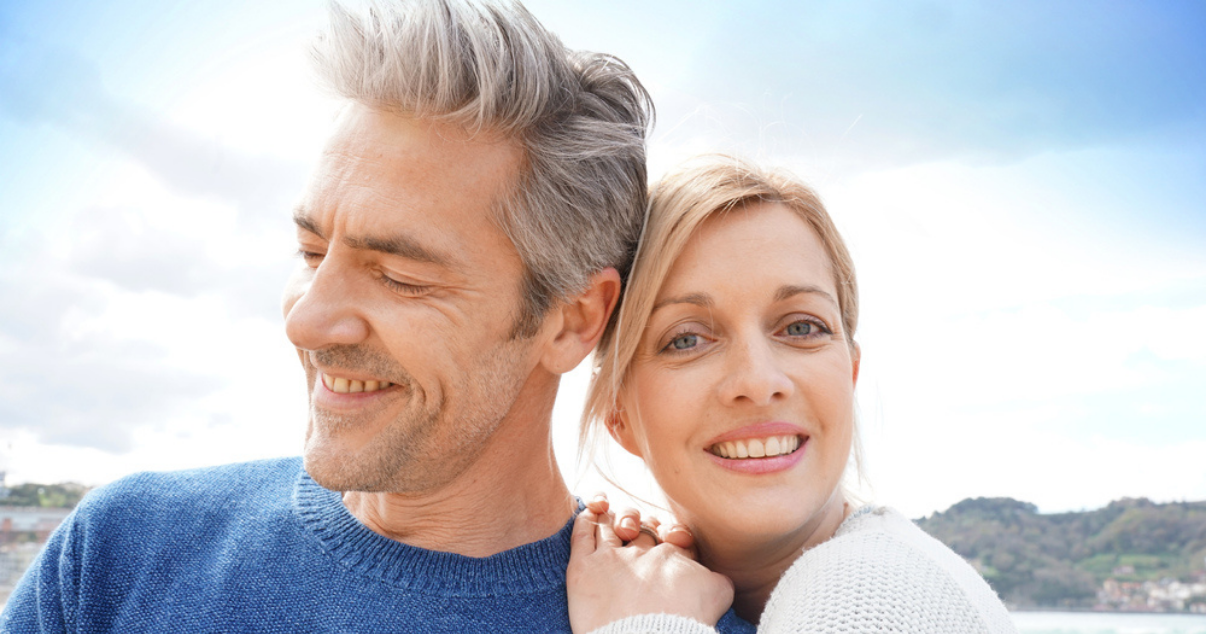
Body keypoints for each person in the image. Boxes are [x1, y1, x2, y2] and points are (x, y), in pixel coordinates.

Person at [0, 2, 742, 633]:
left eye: (399, 275)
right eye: (310, 249)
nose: (308, 321)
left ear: (574, 319)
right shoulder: (121, 553)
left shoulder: (673, 622)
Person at [566, 156, 1018, 634]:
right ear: (617, 414)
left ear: (851, 372)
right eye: (687, 339)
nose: (759, 383)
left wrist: (643, 623)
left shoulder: (872, 591)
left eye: (801, 327)